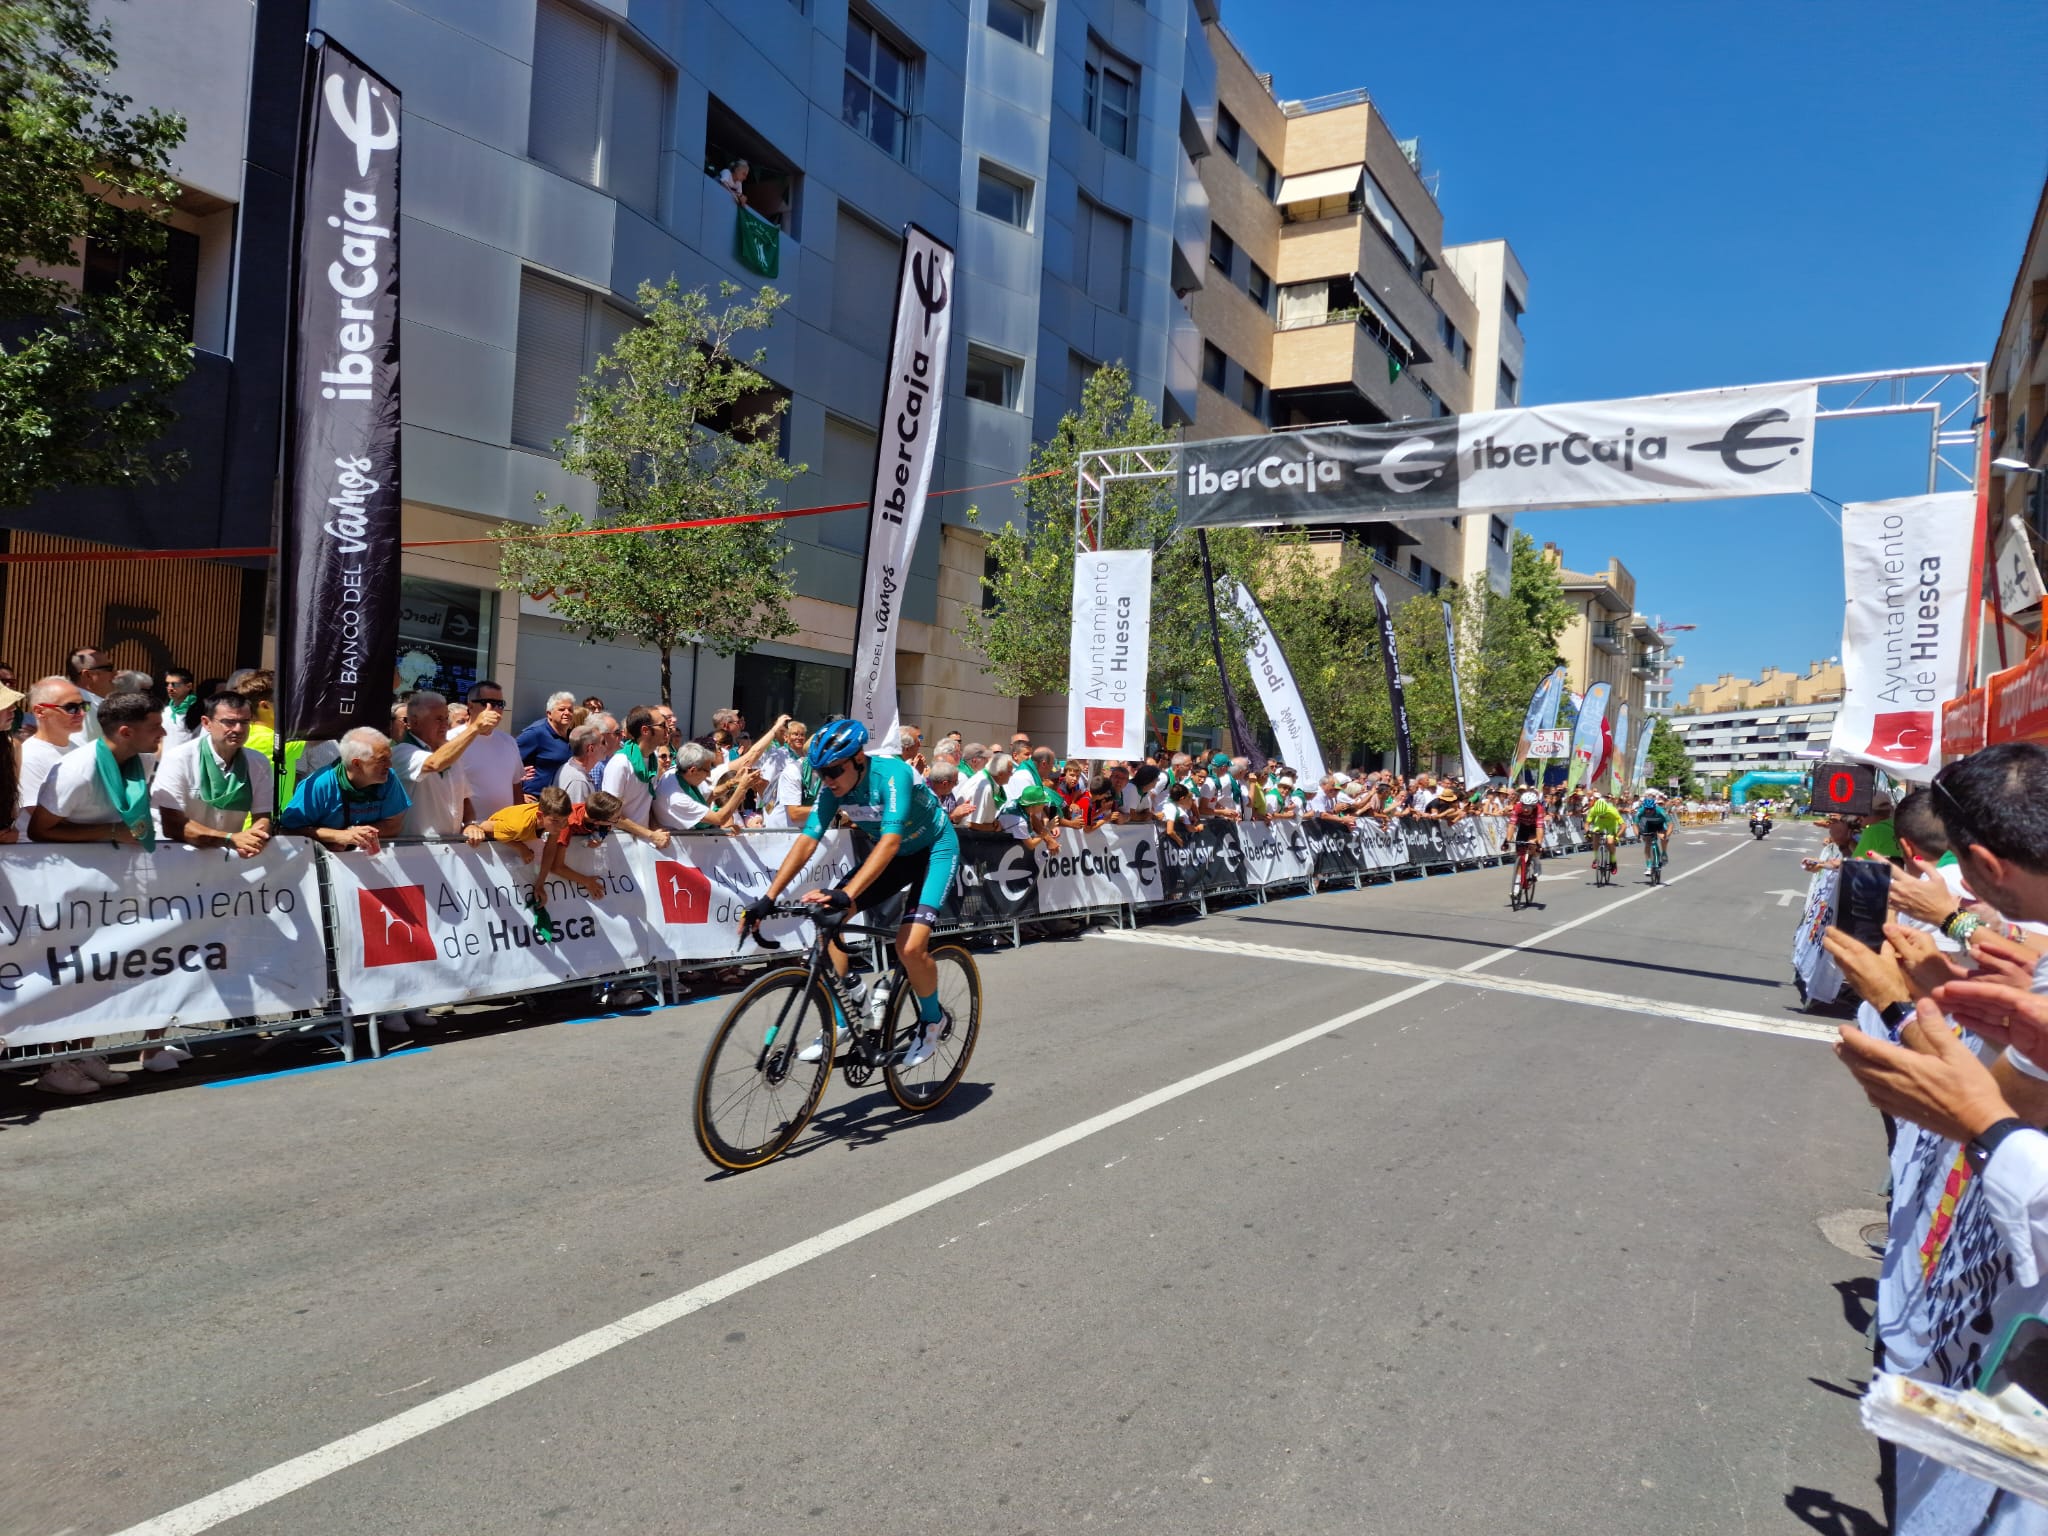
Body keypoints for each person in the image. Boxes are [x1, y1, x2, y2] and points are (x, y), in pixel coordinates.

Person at [742, 719, 960, 1068]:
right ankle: (847, 1012)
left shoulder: (892, 775)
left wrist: (848, 895)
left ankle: (933, 1020)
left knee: (910, 946)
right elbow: (807, 840)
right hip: (896, 857)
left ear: (858, 758)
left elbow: (889, 841)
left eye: (833, 770)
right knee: (827, 920)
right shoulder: (833, 790)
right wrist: (768, 897)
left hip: (934, 850)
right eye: (821, 773)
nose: (827, 780)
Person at [150, 690, 275, 857]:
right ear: (206, 723)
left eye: (244, 722)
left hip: (223, 861)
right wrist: (229, 839)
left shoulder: (258, 762)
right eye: (229, 722)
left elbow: (263, 816)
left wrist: (254, 841)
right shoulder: (178, 759)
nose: (238, 729)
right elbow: (173, 825)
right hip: (174, 857)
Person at [279, 727, 409, 853]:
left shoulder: (388, 778)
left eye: (389, 758)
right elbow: (287, 830)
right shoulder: (319, 785)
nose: (390, 765)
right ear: (357, 764)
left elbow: (394, 825)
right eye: (382, 760)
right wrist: (336, 836)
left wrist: (354, 836)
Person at [392, 690, 492, 837]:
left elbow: (464, 798)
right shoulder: (401, 752)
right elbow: (434, 763)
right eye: (438, 719)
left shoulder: (451, 753)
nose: (445, 725)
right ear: (414, 721)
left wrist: (470, 824)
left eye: (446, 718)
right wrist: (474, 728)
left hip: (451, 850)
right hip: (414, 852)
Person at [16, 677, 81, 837]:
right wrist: (109, 830)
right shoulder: (28, 756)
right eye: (71, 708)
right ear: (40, 712)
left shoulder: (80, 750)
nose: (81, 713)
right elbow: (42, 819)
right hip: (42, 853)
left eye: (83, 706)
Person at [446, 681, 522, 815]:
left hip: (503, 829)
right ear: (470, 706)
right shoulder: (451, 739)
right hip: (467, 831)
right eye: (489, 703)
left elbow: (516, 787)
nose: (496, 709)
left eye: (500, 704)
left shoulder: (509, 741)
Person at [515, 691, 580, 793]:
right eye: (562, 709)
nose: (567, 713)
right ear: (549, 713)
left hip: (561, 801)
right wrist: (519, 794)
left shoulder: (573, 736)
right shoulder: (535, 733)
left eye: (570, 710)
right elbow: (506, 762)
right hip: (536, 800)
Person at [555, 715, 617, 807]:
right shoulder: (578, 781)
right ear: (591, 749)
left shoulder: (568, 768)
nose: (606, 747)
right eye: (603, 742)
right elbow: (576, 818)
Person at [1509, 789, 1545, 882]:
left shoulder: (1539, 809)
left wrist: (1539, 844)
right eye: (1524, 805)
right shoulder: (1517, 807)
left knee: (1532, 843)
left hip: (1534, 828)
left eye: (1528, 807)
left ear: (1533, 806)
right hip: (1523, 827)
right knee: (1520, 855)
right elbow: (1512, 824)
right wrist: (1507, 840)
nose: (1525, 809)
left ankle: (1537, 862)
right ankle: (1517, 883)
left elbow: (1539, 828)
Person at [1584, 793, 1624, 870]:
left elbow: (1623, 826)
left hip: (1611, 824)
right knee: (1595, 836)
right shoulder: (1593, 810)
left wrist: (1617, 836)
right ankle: (1596, 859)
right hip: (1600, 823)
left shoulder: (1613, 810)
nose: (1602, 816)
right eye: (1600, 814)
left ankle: (1613, 861)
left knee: (1610, 842)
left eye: (1603, 814)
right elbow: (1587, 824)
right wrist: (1587, 832)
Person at [1635, 789, 1672, 870]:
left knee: (1663, 838)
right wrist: (1637, 835)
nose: (1648, 811)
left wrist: (1667, 835)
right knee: (1647, 842)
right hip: (1648, 825)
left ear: (1654, 807)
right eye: (1646, 809)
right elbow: (1635, 824)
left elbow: (1670, 824)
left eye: (1650, 809)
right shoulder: (1641, 810)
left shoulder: (1660, 810)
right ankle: (1648, 864)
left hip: (1659, 824)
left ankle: (1664, 853)